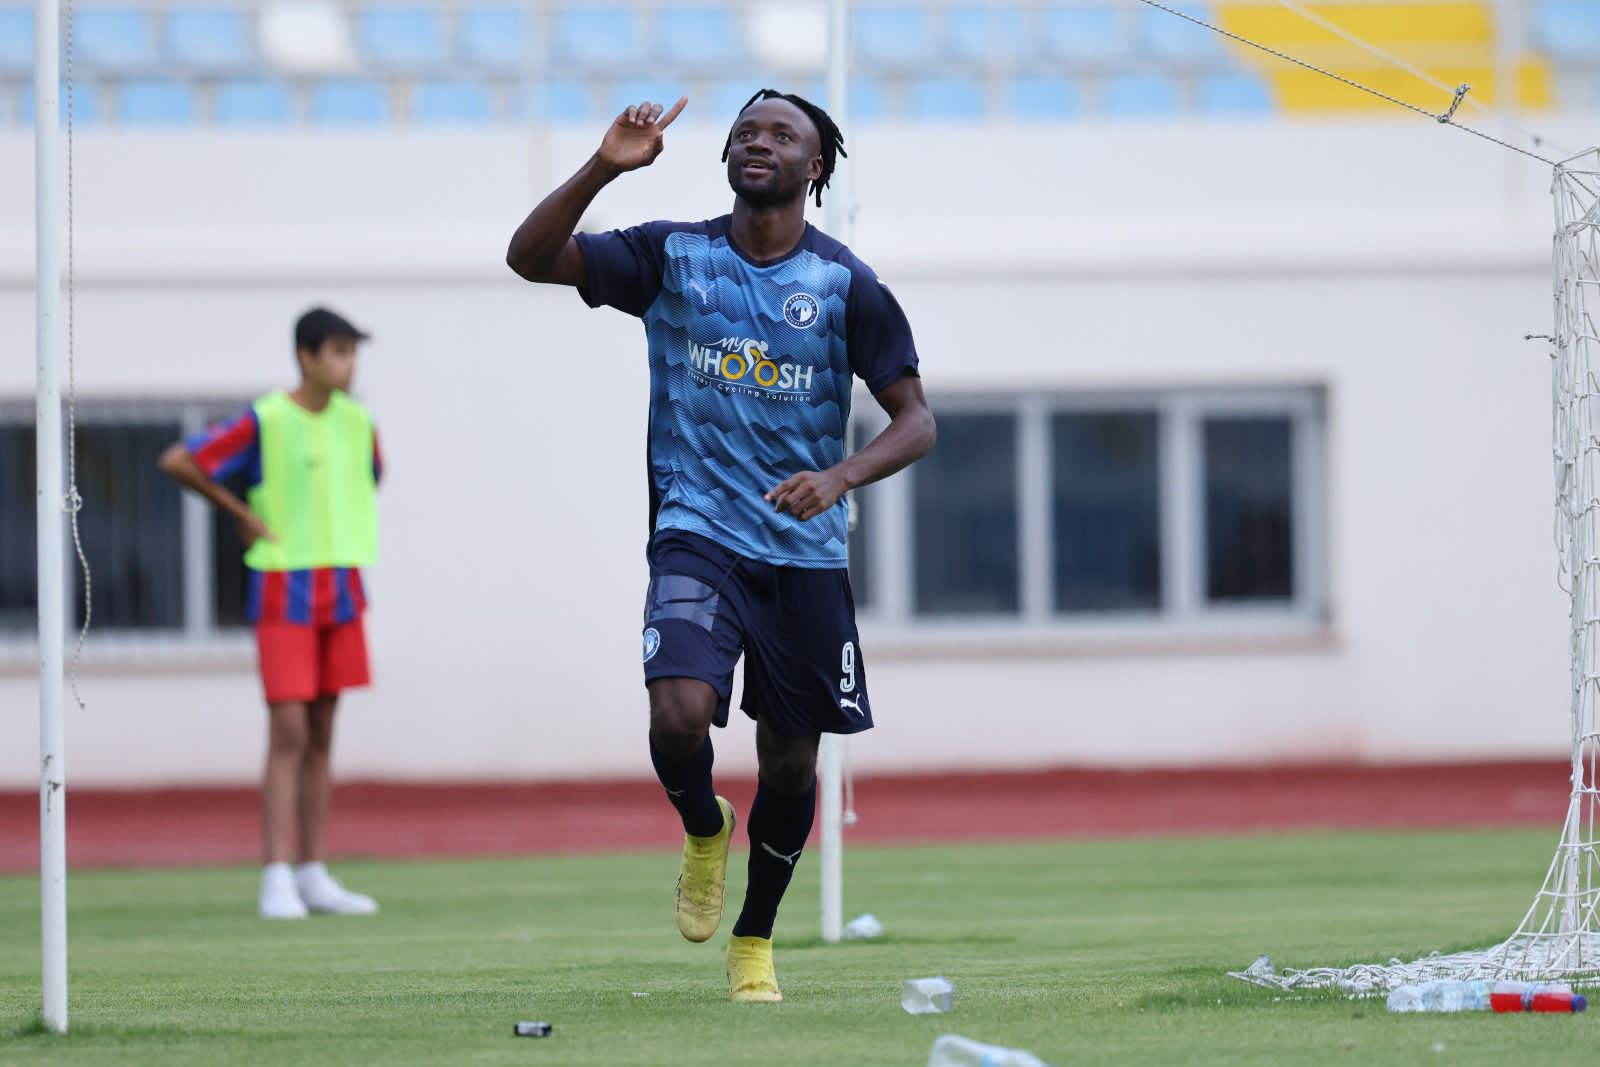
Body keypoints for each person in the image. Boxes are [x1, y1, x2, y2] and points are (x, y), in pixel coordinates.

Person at [505, 90, 937, 1000]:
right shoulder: (672, 256)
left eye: (781, 134)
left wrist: (841, 476)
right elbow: (530, 257)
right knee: (676, 716)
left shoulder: (844, 284)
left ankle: (754, 941)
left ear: (815, 168)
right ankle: (705, 826)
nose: (758, 142)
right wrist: (603, 168)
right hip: (696, 531)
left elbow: (917, 422)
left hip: (804, 552)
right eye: (745, 131)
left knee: (791, 762)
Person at [158, 307, 383, 920]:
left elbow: (366, 483)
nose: (349, 363)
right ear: (306, 357)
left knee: (323, 733)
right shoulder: (267, 419)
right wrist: (242, 515)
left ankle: (313, 872)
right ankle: (276, 876)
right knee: (288, 733)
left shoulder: (359, 421)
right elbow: (180, 460)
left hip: (342, 585)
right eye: (338, 351)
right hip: (284, 587)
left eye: (353, 351)